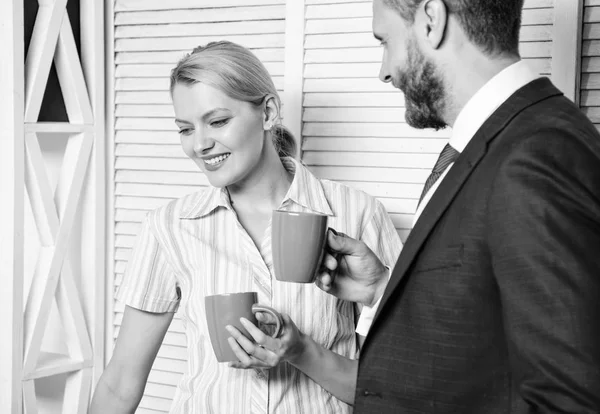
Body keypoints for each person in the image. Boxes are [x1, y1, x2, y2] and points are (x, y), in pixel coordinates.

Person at [313, 0, 600, 412]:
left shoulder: (537, 154)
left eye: (386, 41)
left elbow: (570, 400)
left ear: (432, 18)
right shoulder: (500, 141)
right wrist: (381, 291)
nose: (384, 71)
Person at [89, 41, 401, 413]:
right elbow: (121, 383)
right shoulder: (168, 227)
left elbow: (392, 385)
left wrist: (302, 352)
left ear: (268, 112)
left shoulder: (356, 214)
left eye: (218, 121)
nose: (200, 145)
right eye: (185, 129)